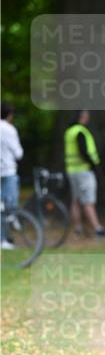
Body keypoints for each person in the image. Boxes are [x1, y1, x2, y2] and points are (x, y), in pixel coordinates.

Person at [64, 110, 105, 237]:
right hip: (84, 170)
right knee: (88, 200)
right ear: (82, 117)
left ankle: (78, 228)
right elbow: (83, 151)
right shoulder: (80, 132)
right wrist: (94, 165)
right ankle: (97, 228)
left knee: (76, 200)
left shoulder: (69, 131)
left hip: (72, 170)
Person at [1, 103, 24, 249]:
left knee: (0, 206)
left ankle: (3, 239)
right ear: (9, 115)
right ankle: (12, 218)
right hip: (8, 171)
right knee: (9, 205)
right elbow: (18, 153)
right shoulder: (9, 130)